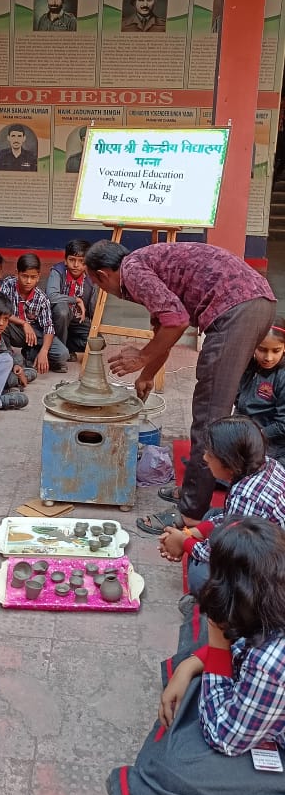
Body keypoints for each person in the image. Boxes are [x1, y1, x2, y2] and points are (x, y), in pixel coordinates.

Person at [107, 516, 285, 795]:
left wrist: (217, 642)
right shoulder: (274, 597)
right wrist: (190, 665)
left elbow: (225, 737)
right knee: (203, 631)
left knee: (175, 766)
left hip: (253, 737)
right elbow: (246, 643)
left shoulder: (271, 662)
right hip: (263, 706)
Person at [84, 240, 276, 525]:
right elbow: (167, 327)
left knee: (209, 417)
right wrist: (147, 374)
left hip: (237, 310)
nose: (105, 291)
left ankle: (189, 514)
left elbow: (175, 321)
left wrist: (141, 358)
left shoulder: (132, 270)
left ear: (102, 275)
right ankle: (214, 487)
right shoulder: (145, 265)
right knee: (227, 411)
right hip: (257, 302)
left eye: (99, 285)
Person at [158, 417, 285, 595]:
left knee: (200, 575)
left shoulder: (247, 496)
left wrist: (183, 542)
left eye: (210, 454)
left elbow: (224, 553)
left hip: (270, 571)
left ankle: (224, 609)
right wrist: (190, 533)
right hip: (259, 542)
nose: (205, 457)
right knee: (212, 514)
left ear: (229, 462)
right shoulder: (267, 464)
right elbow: (229, 518)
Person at [0, 253, 69, 373]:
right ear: (17, 273)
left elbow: (48, 327)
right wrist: (24, 323)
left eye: (33, 277)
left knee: (62, 354)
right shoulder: (8, 284)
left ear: (38, 277)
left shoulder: (41, 298)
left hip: (34, 334)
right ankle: (7, 356)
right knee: (0, 323)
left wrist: (44, 351)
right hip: (13, 328)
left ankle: (30, 354)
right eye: (24, 276)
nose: (28, 281)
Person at [234, 320, 285, 462]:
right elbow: (239, 404)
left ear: (284, 347)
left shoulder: (282, 377)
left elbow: (283, 424)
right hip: (247, 431)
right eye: (262, 349)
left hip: (272, 441)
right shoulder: (248, 367)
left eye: (276, 351)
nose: (268, 358)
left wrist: (258, 435)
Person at [46, 239, 96, 359]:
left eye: (81, 261)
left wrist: (94, 328)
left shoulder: (90, 280)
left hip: (77, 320)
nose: (76, 265)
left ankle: (66, 346)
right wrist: (76, 300)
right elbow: (51, 296)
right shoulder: (57, 271)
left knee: (96, 343)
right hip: (56, 319)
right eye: (72, 260)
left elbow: (93, 308)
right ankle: (59, 353)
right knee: (62, 310)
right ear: (65, 260)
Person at [0, 291, 37, 391]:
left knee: (17, 358)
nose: (1, 323)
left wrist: (16, 366)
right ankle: (7, 386)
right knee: (11, 373)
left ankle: (16, 377)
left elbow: (4, 351)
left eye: (5, 319)